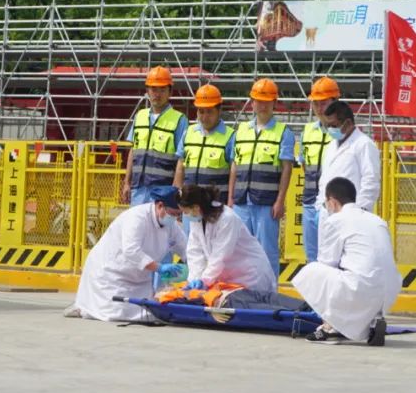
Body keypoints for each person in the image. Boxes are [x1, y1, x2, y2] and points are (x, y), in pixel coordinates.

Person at [292, 177, 401, 345]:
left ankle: (330, 328)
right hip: (390, 291)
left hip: (362, 287)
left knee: (312, 271)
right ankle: (371, 323)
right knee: (355, 274)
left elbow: (327, 261)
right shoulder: (377, 220)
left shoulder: (336, 221)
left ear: (332, 202)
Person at [65, 185, 187, 321]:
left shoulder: (171, 225)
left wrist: (194, 271)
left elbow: (185, 248)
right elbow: (131, 250)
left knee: (147, 314)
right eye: (173, 213)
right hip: (111, 274)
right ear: (160, 206)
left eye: (178, 214)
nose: (175, 217)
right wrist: (159, 268)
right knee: (116, 313)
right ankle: (83, 308)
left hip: (139, 280)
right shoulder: (137, 217)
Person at [229, 78, 296, 273]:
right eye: (259, 101)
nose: (263, 105)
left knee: (267, 252)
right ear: (252, 103)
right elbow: (234, 166)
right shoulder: (241, 131)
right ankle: (245, 290)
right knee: (240, 251)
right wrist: (231, 198)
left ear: (275, 103)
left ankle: (269, 290)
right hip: (241, 201)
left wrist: (280, 201)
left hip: (267, 203)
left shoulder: (283, 133)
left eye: (267, 101)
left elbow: (286, 169)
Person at [180, 184, 278, 294]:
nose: (185, 215)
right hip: (229, 279)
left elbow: (220, 256)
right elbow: (194, 251)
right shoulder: (197, 219)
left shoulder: (226, 218)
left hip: (250, 276)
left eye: (186, 211)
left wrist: (204, 281)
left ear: (196, 207)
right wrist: (194, 279)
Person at [122, 66, 188, 206]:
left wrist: (175, 190)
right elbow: (133, 151)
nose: (157, 94)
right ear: (147, 91)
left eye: (162, 90)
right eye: (153, 89)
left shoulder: (179, 120)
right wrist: (127, 182)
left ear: (170, 92)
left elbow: (181, 159)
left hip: (164, 192)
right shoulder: (140, 116)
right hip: (138, 189)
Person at [174, 84, 235, 235]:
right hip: (190, 205)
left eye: (209, 111)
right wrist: (177, 196)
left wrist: (231, 201)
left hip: (214, 207)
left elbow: (234, 172)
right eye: (201, 111)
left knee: (214, 244)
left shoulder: (230, 136)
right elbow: (181, 166)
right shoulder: (189, 133)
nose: (204, 116)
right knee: (190, 245)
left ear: (219, 110)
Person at [317, 100, 381, 222]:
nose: (330, 129)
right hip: (327, 211)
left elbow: (371, 180)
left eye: (333, 126)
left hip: (352, 214)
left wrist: (361, 210)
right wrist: (320, 204)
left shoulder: (364, 144)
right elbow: (325, 177)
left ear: (348, 123)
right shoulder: (331, 145)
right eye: (327, 126)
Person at [298, 76, 340, 261]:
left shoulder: (344, 132)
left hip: (334, 205)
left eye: (323, 103)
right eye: (315, 103)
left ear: (335, 102)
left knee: (333, 256)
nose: (319, 108)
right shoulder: (307, 131)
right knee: (312, 256)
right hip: (309, 201)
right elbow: (304, 164)